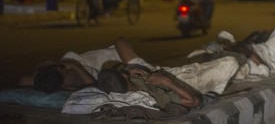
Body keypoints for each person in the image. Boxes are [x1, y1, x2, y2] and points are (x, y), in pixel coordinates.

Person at [20, 38, 239, 96]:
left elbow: (25, 81)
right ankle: (219, 53)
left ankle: (218, 53)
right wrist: (75, 69)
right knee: (229, 64)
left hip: (134, 65)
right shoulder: (74, 71)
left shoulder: (62, 71)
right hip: (139, 68)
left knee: (223, 66)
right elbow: (95, 85)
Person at [188, 20, 275, 80]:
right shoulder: (252, 68)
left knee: (223, 36)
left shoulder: (224, 56)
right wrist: (243, 49)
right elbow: (265, 69)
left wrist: (237, 45)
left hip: (254, 47)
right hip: (266, 52)